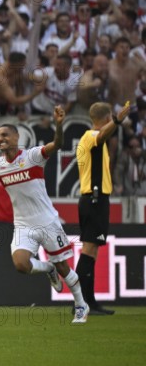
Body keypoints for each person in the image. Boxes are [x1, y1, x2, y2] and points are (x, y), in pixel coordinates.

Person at [0, 106, 89, 324]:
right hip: (23, 224)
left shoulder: (33, 156)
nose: (0, 138)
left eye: (4, 135)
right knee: (21, 264)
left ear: (16, 137)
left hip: (47, 221)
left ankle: (80, 304)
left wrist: (58, 125)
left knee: (64, 267)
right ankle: (47, 267)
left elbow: (57, 144)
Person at [75, 101, 131, 315]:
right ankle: (82, 303)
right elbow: (101, 136)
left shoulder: (92, 139)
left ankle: (89, 302)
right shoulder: (90, 136)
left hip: (95, 200)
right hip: (94, 199)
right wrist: (118, 120)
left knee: (91, 252)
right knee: (88, 250)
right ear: (107, 118)